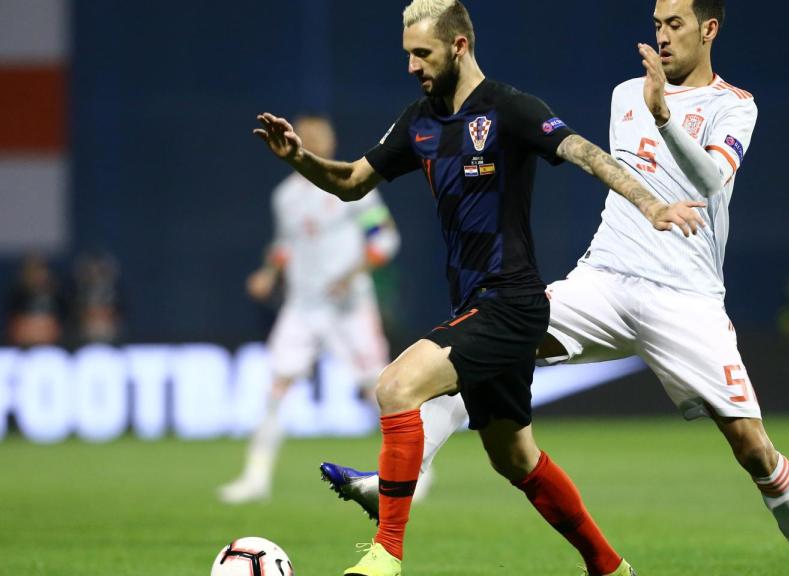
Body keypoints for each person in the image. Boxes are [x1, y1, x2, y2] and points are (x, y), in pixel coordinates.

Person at [320, 1, 789, 575]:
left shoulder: (733, 105)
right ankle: (396, 485)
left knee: (752, 448)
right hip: (603, 284)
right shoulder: (627, 94)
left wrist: (665, 118)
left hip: (685, 299)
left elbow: (711, 182)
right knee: (480, 349)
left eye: (675, 25)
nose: (662, 37)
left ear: (709, 29)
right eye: (656, 25)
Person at [253, 1, 703, 573]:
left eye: (424, 54)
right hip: (475, 304)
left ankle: (385, 555)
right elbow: (351, 182)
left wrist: (652, 203)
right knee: (514, 457)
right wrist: (300, 159)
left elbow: (586, 154)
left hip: (510, 301)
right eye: (408, 55)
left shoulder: (510, 110)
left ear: (459, 45)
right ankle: (610, 567)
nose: (413, 66)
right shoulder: (418, 120)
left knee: (395, 388)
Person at [219, 114, 401, 505]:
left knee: (380, 390)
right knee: (276, 386)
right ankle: (256, 477)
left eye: (323, 135)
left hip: (350, 307)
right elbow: (286, 245)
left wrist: (352, 273)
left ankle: (411, 472)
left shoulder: (354, 184)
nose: (318, 141)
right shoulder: (285, 197)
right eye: (310, 135)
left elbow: (384, 239)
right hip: (303, 306)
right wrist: (269, 272)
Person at [5, 253, 67, 347]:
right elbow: (14, 325)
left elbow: (61, 324)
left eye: (40, 270)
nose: (37, 275)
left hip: (50, 347)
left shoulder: (56, 296)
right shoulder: (18, 295)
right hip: (22, 345)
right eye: (32, 270)